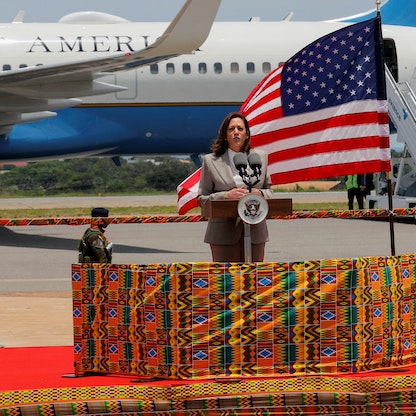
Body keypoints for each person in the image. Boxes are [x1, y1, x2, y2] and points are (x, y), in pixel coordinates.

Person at [197, 111, 273, 262]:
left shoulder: (260, 157)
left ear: (247, 134)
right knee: (226, 282)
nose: (236, 133)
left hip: (255, 231)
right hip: (223, 233)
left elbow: (270, 191)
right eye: (231, 129)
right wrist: (225, 196)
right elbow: (201, 199)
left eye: (240, 129)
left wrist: (261, 194)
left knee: (253, 281)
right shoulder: (211, 161)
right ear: (225, 135)